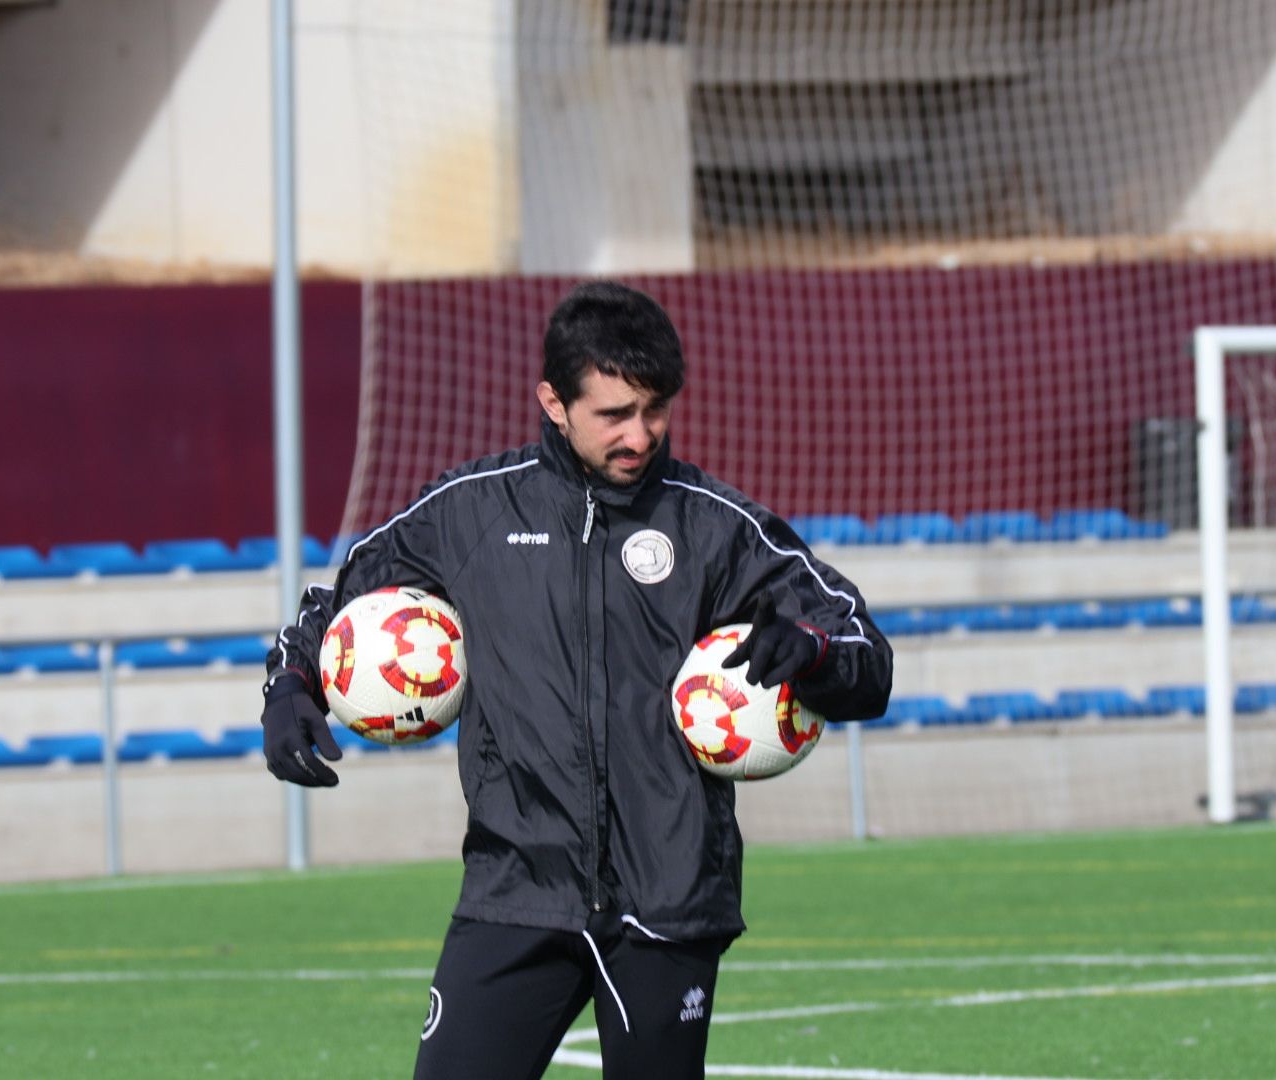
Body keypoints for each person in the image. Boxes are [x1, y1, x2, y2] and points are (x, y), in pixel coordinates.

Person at [260, 280, 893, 1079]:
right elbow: (336, 598)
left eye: (656, 410)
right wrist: (290, 687)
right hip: (516, 889)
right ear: (553, 402)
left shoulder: (716, 527)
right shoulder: (469, 512)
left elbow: (864, 650)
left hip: (667, 899)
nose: (641, 434)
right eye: (614, 414)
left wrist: (815, 654)